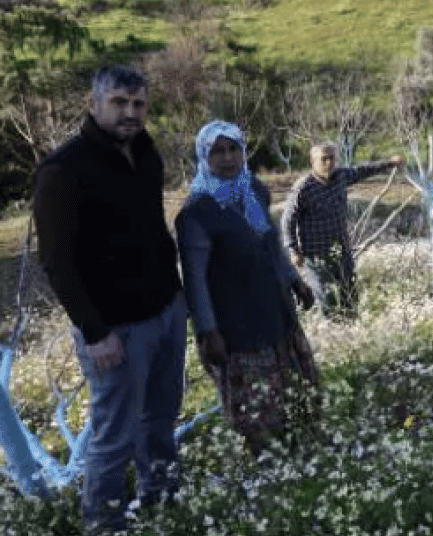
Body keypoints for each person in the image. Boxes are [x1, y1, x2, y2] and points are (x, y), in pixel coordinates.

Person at [31, 65, 186, 534]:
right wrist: (96, 334)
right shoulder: (64, 170)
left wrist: (177, 298)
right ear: (92, 104)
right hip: (116, 329)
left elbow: (152, 229)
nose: (130, 113)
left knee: (160, 417)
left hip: (165, 311)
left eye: (138, 104)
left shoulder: (147, 155)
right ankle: (105, 523)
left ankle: (162, 501)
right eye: (119, 102)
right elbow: (58, 262)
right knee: (114, 435)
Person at [176, 121, 321, 453]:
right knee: (255, 408)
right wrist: (207, 331)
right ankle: (265, 463)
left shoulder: (253, 189)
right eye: (217, 151)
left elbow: (271, 240)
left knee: (299, 387)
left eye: (234, 149)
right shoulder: (197, 212)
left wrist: (295, 280)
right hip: (235, 321)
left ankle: (301, 452)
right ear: (203, 157)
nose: (227, 158)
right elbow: (195, 279)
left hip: (274, 307)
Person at [280, 143, 403, 319]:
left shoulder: (341, 176)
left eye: (332, 158)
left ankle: (352, 333)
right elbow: (287, 220)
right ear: (313, 161)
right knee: (327, 300)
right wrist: (293, 249)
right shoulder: (303, 188)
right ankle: (331, 334)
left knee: (350, 297)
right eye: (323, 159)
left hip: (342, 250)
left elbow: (363, 170)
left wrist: (390, 163)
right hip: (316, 256)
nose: (329, 163)